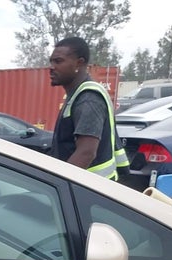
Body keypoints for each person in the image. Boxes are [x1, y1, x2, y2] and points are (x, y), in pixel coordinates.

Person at [49, 36, 128, 180]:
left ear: (79, 63)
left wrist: (58, 183)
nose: (52, 67)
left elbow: (86, 153)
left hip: (90, 187)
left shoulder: (88, 98)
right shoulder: (76, 95)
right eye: (51, 61)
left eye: (58, 61)